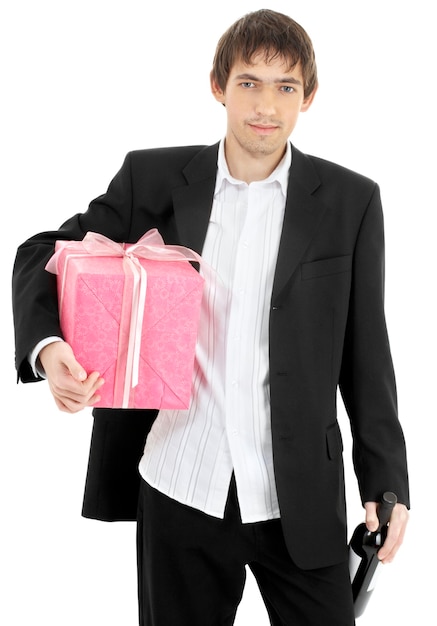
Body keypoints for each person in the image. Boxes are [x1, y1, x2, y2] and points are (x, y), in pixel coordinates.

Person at [12, 9, 409, 626]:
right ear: (218, 85)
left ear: (310, 95)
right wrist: (49, 346)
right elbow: (44, 253)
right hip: (179, 487)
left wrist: (386, 484)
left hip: (299, 495)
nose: (266, 106)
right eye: (249, 82)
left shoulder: (351, 201)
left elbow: (367, 354)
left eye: (286, 87)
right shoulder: (155, 177)